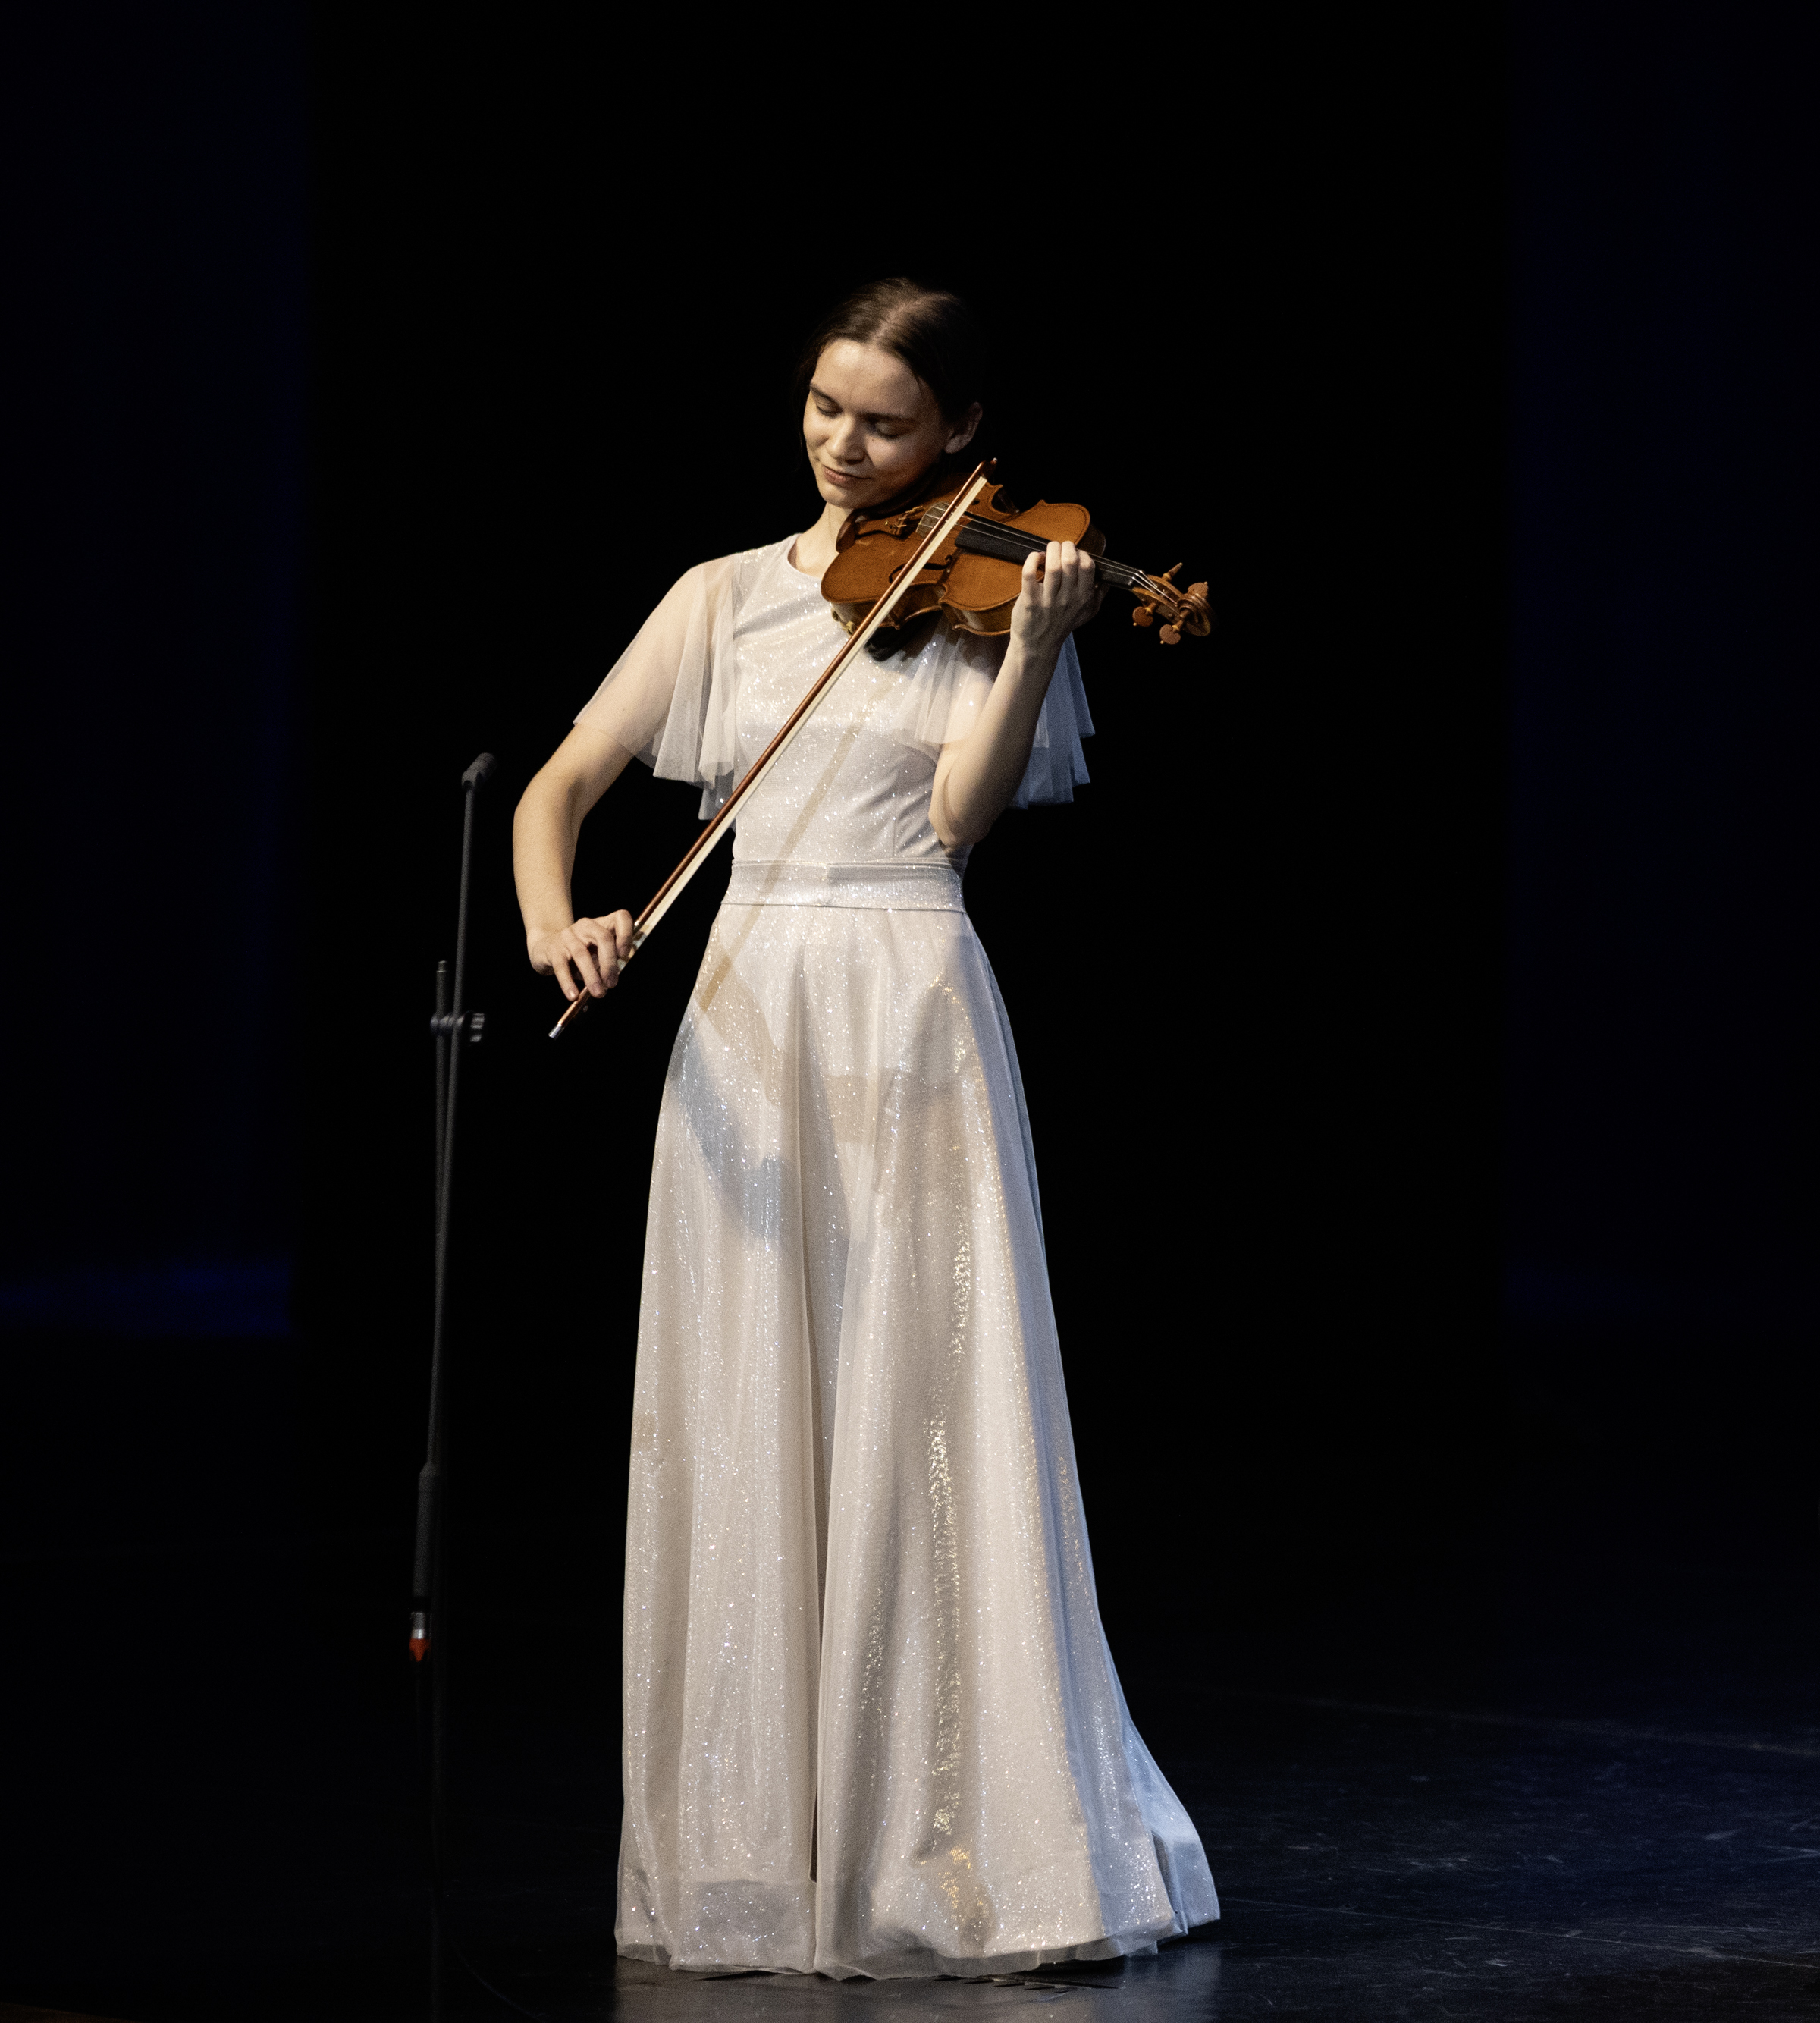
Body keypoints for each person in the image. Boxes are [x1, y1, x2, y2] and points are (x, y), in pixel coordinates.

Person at [510, 279, 1215, 1980]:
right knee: (745, 1398)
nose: (843, 444)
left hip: (905, 1002)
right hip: (746, 1006)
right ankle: (757, 1845)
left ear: (959, 434)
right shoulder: (723, 595)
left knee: (926, 1396)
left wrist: (1033, 640)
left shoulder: (988, 596)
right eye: (826, 407)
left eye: (886, 423)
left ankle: (949, 1839)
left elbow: (958, 821)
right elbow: (558, 786)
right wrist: (556, 923)